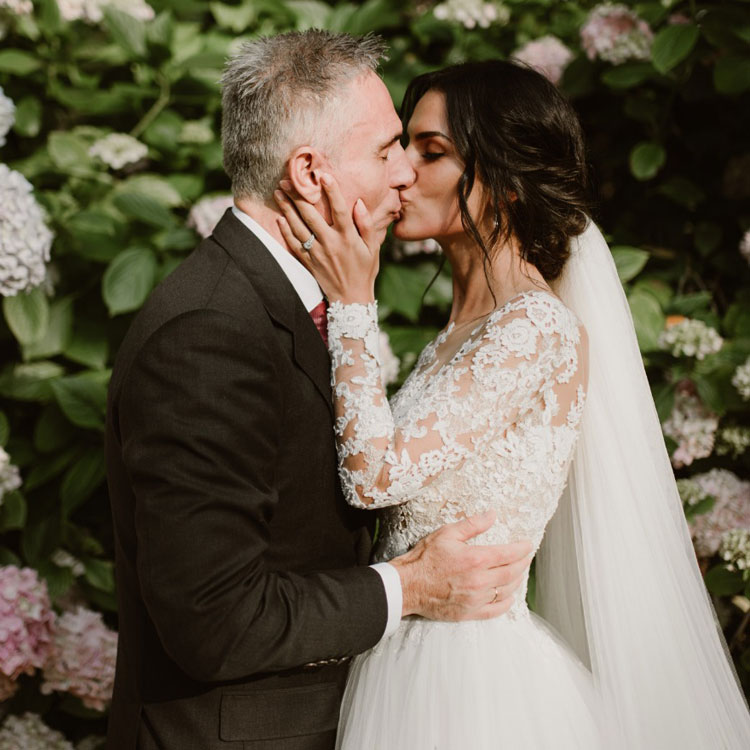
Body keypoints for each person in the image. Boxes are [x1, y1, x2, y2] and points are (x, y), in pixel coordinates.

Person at [275, 59, 750, 748]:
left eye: (431, 151)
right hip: (397, 662)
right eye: (403, 146)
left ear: (504, 182)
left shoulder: (535, 329)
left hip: (469, 687)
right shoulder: (459, 332)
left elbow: (375, 476)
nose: (401, 170)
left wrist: (352, 301)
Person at [104, 33, 533, 750]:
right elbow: (216, 619)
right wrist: (412, 586)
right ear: (310, 173)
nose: (407, 174)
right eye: (386, 149)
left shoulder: (304, 302)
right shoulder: (209, 331)